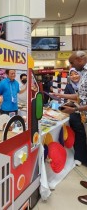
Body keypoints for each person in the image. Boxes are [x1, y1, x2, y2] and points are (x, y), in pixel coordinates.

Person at [57, 51, 87, 205]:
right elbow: (80, 97)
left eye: (72, 63)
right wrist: (62, 96)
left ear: (79, 59)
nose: (72, 67)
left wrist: (75, 110)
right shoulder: (84, 74)